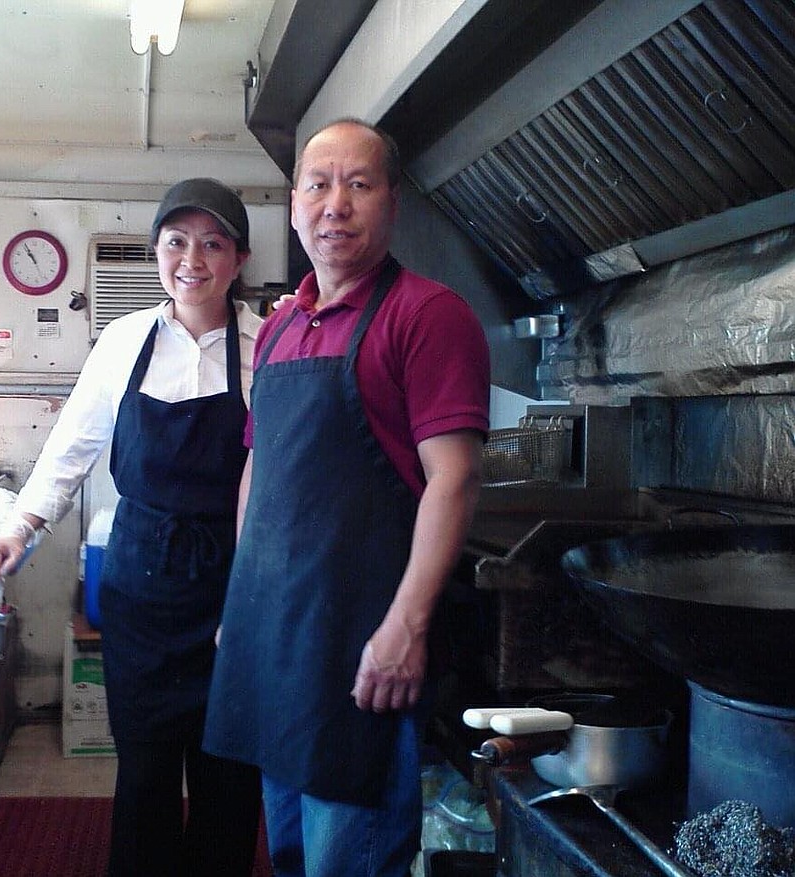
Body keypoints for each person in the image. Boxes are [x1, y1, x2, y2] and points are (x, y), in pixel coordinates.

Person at [204, 118, 490, 875]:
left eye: (359, 185)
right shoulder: (278, 329)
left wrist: (407, 627)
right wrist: (241, 604)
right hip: (276, 640)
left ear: (392, 202)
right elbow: (258, 473)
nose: (336, 204)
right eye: (319, 184)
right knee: (292, 854)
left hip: (363, 647)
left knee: (348, 861)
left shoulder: (428, 315)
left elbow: (454, 478)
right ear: (294, 204)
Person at [0, 178, 263, 877]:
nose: (193, 259)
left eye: (213, 243)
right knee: (146, 765)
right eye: (176, 242)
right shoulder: (124, 341)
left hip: (236, 577)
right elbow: (72, 445)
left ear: (240, 258)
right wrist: (22, 523)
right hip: (143, 575)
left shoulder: (267, 342)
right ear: (157, 251)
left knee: (229, 766)